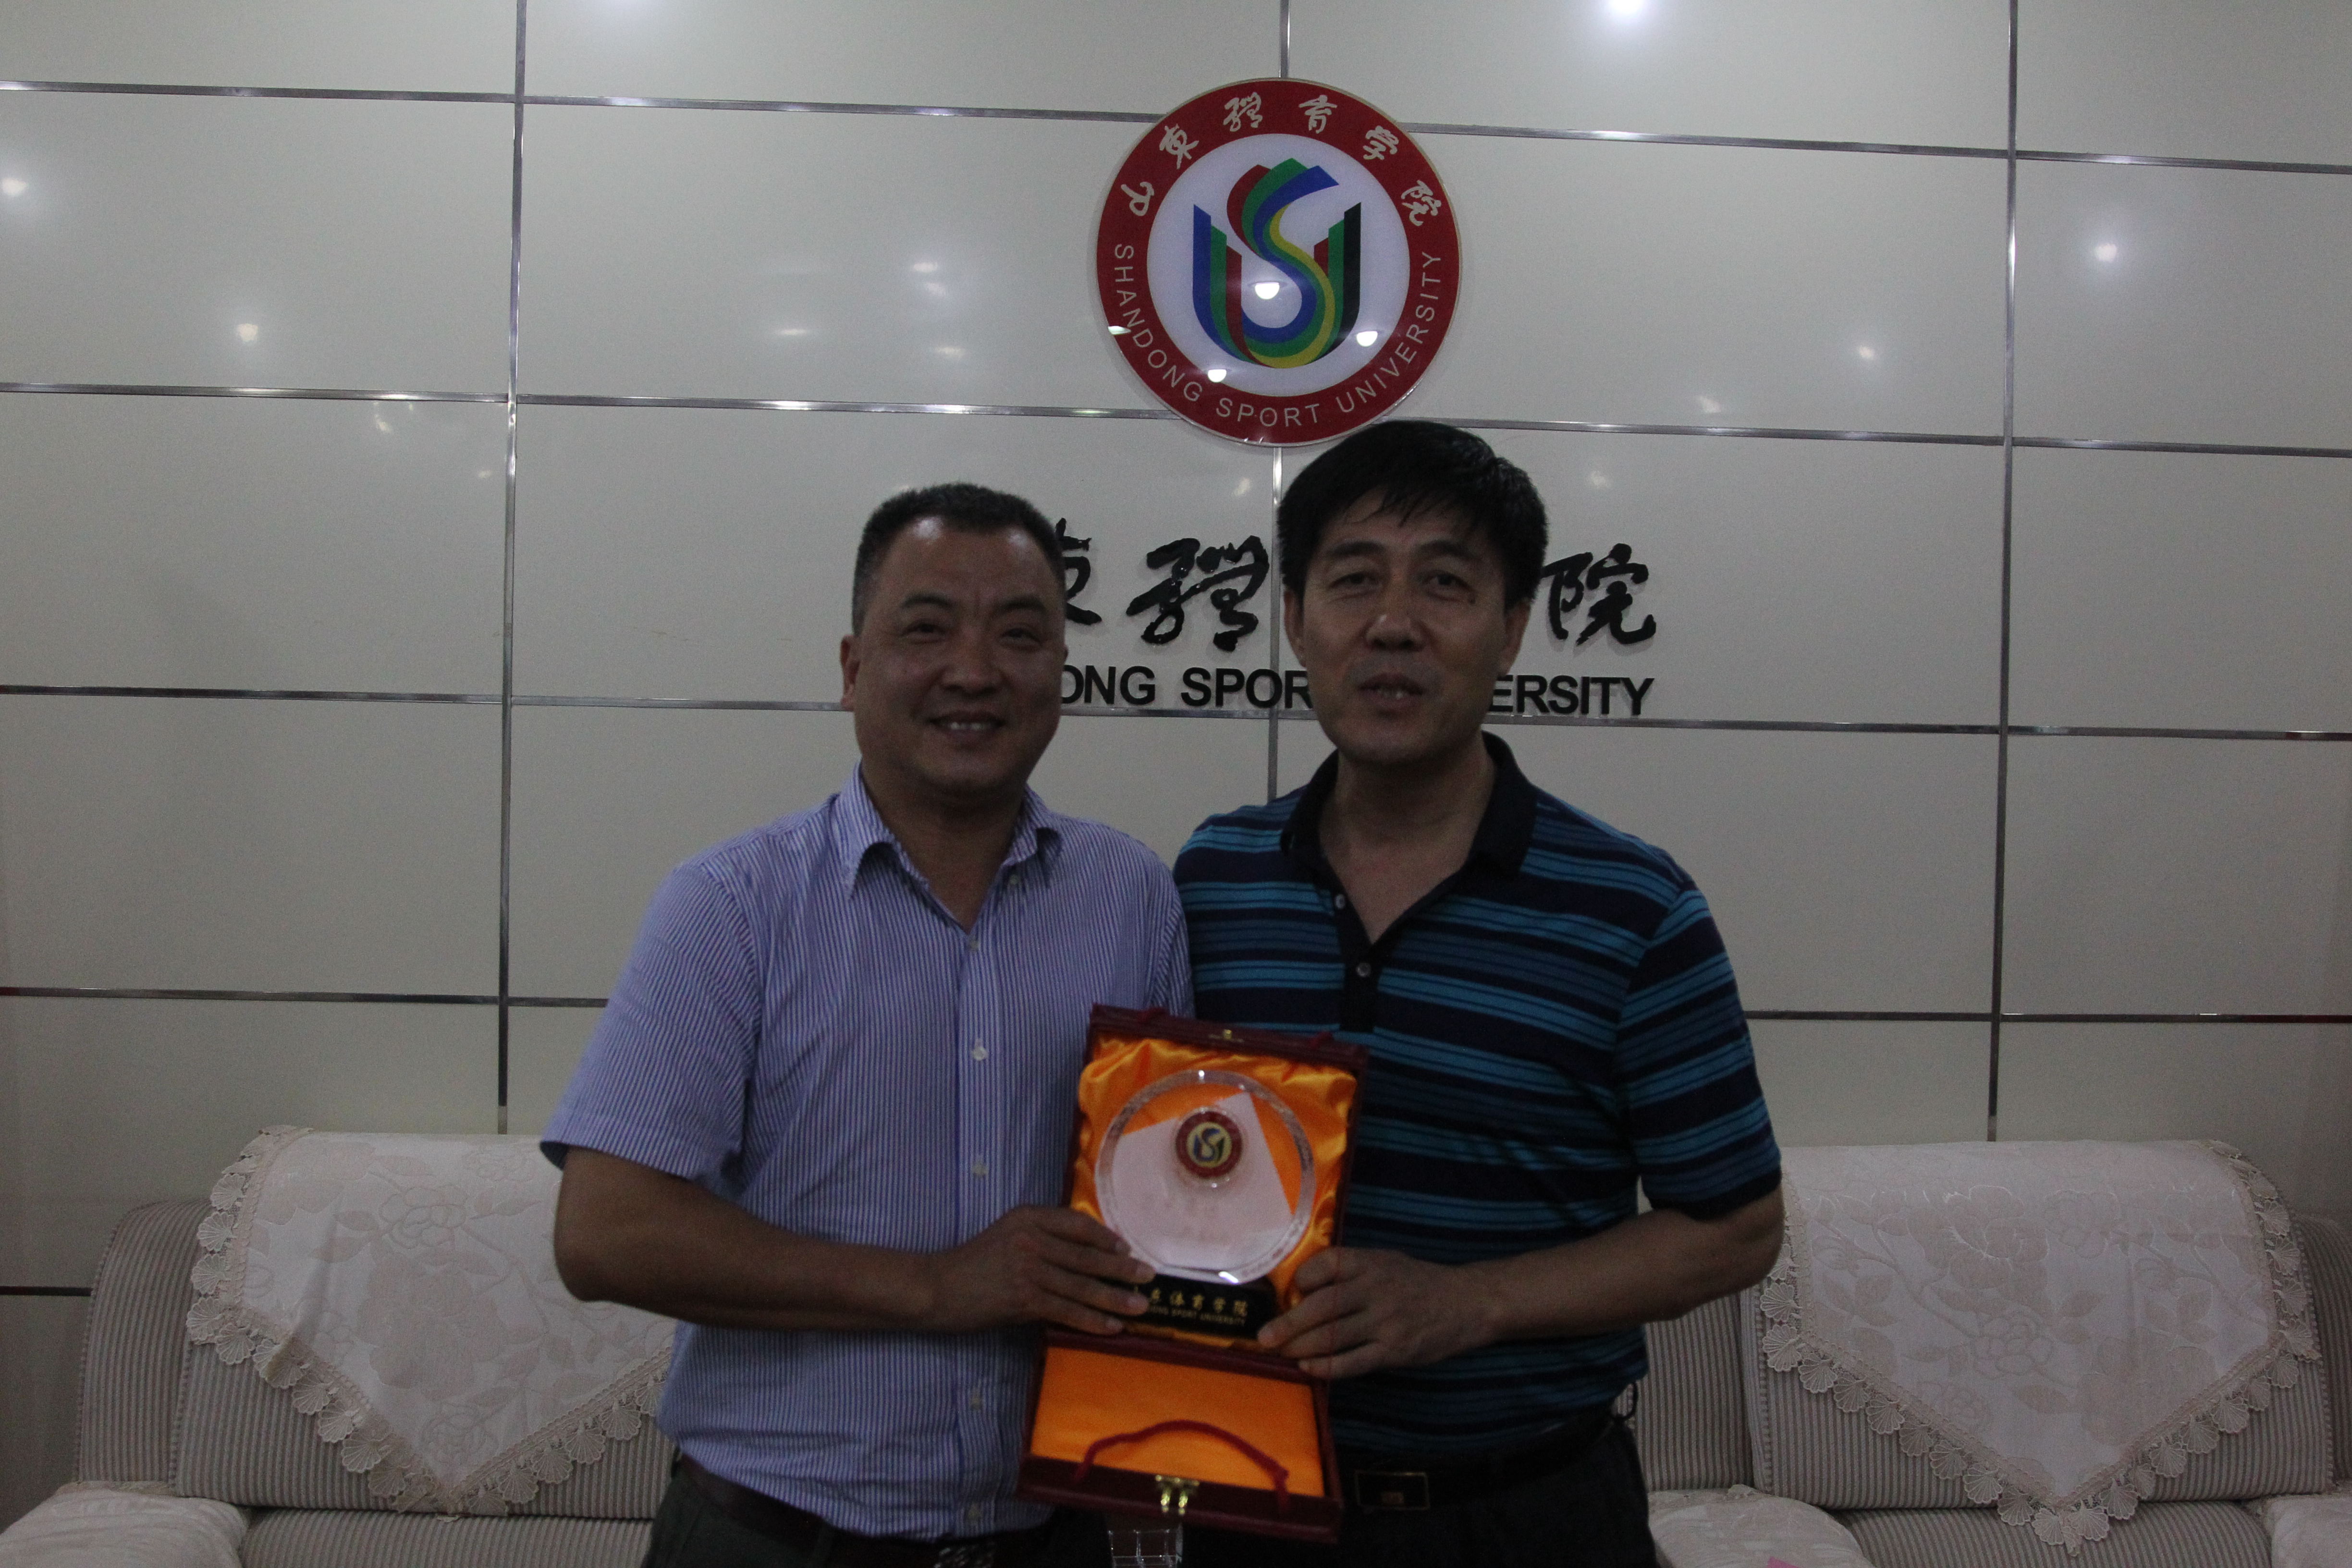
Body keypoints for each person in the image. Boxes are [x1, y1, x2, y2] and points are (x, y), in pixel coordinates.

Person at [1173, 422, 1785, 1567]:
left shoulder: (1633, 908)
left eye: (1445, 583)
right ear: (1295, 616)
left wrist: (1469, 1303)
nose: (1393, 623)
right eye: (1354, 580)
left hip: (1530, 1513)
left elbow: (1738, 1229)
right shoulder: (1214, 879)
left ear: (1511, 627)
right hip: (1251, 1504)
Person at [545, 483, 1185, 1568]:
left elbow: (1176, 1204)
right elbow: (605, 1233)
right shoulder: (734, 905)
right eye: (927, 630)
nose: (974, 671)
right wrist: (936, 1287)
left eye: (1019, 635)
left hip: (1052, 1535)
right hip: (778, 1536)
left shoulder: (1133, 898)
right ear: (852, 669)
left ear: (1060, 672)